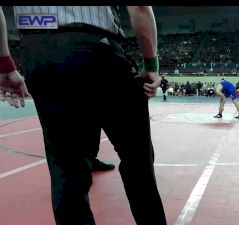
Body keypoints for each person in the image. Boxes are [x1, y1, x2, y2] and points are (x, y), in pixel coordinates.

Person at [0, 6, 167, 225]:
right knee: (136, 156)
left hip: (37, 51)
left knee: (66, 166)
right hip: (95, 46)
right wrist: (151, 64)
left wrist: (4, 64)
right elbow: (140, 8)